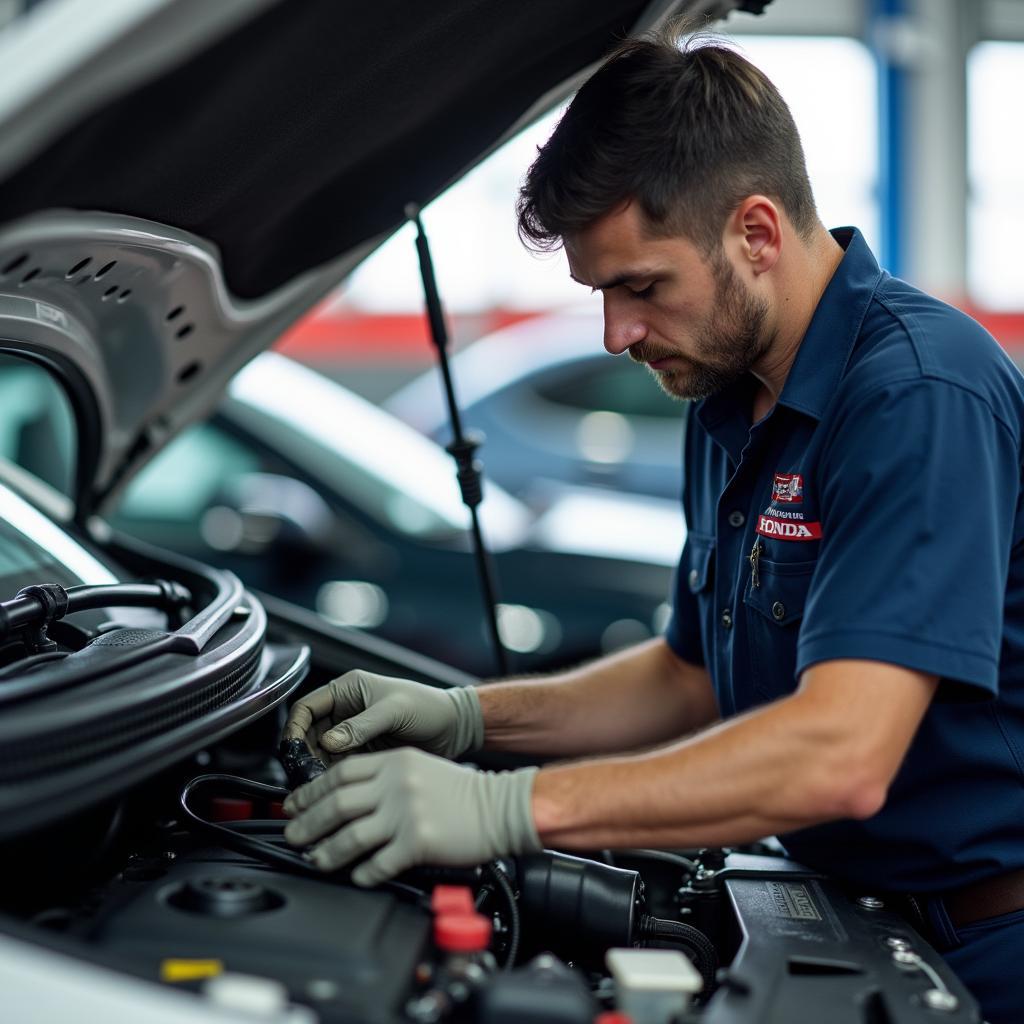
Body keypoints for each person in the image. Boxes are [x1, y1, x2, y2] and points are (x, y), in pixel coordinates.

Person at [282, 30, 1024, 1022]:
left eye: (641, 286)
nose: (614, 333)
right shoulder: (727, 397)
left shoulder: (917, 395)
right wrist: (466, 716)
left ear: (756, 231)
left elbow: (840, 754)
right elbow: (684, 677)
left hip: (986, 953)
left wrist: (508, 809)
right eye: (600, 294)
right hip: (846, 922)